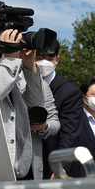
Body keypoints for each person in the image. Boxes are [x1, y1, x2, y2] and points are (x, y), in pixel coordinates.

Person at [0, 24, 45, 180]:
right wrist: (11, 60)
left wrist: (29, 66)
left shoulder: (3, 64)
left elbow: (36, 104)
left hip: (15, 170)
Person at [35, 40, 83, 178]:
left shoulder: (69, 91)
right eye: (39, 57)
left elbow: (69, 134)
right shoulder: (20, 83)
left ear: (57, 60)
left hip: (50, 165)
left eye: (49, 58)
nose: (44, 62)